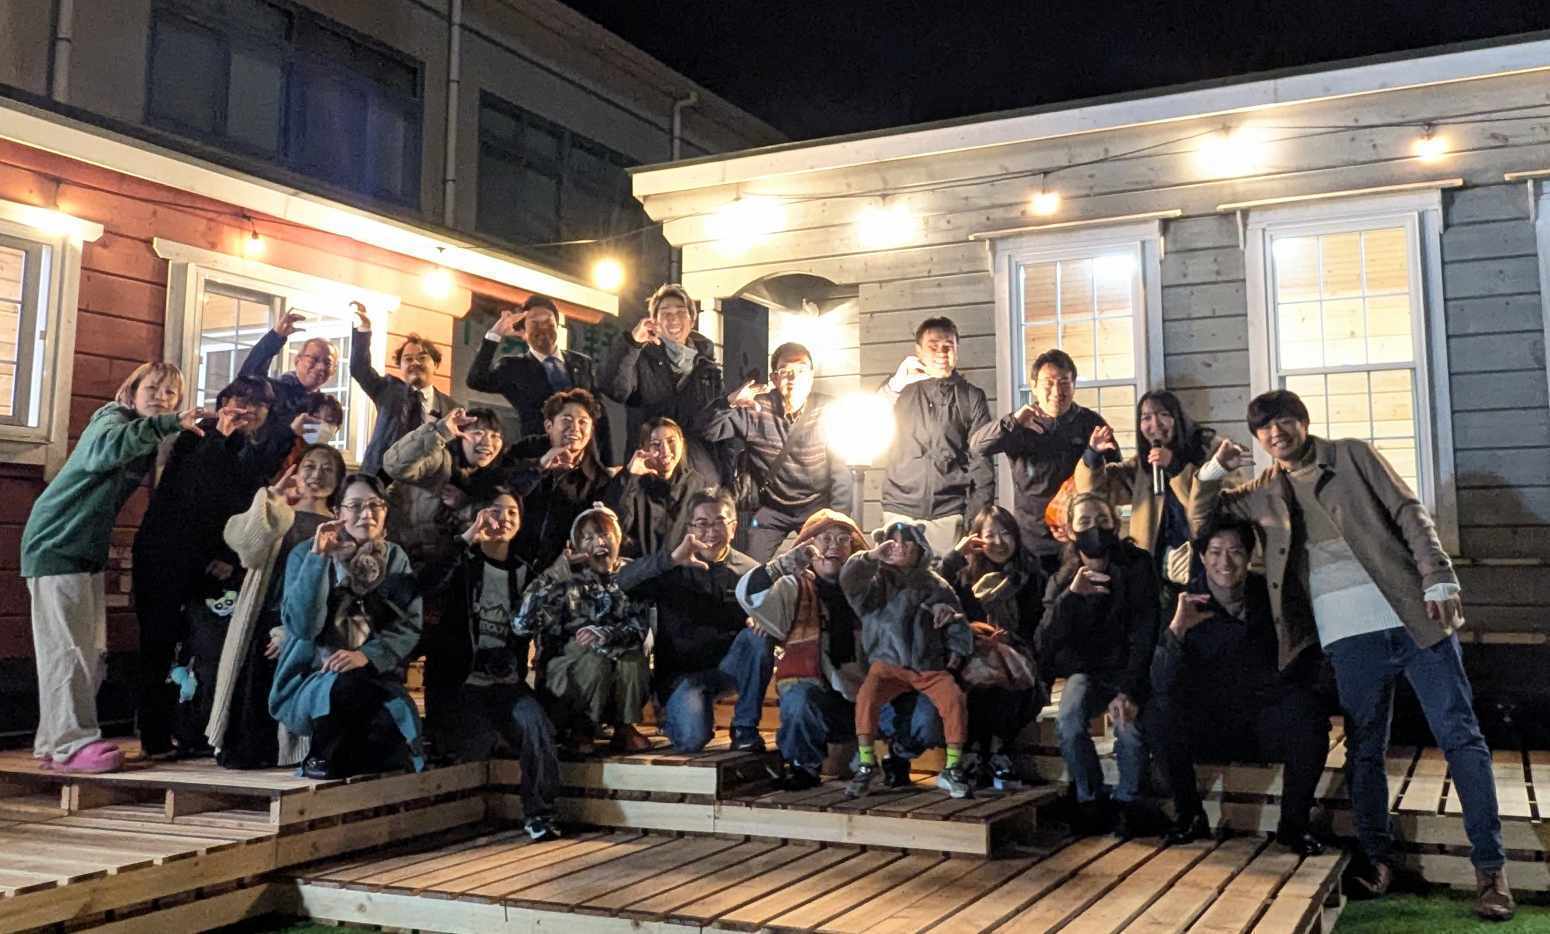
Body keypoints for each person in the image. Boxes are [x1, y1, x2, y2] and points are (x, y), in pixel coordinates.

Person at [1188, 390, 1512, 920]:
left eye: (1283, 421)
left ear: (1302, 421)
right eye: (1264, 428)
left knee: (1460, 737)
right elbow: (1203, 518)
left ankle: (1491, 870)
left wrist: (1437, 574)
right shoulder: (1265, 490)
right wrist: (1211, 471)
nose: (1275, 433)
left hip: (1414, 617)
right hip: (1347, 635)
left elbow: (1408, 511)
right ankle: (1378, 860)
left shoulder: (1352, 455)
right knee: (1364, 750)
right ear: (1258, 438)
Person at [21, 362, 198, 773]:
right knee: (66, 652)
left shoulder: (145, 436)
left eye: (170, 394)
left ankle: (52, 741)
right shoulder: (111, 420)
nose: (161, 399)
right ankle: (70, 745)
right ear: (131, 392)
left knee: (88, 653)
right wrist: (168, 424)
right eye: (152, 389)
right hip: (56, 543)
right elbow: (107, 449)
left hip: (84, 550)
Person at [1149, 519, 1331, 855]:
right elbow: (1161, 681)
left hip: (1260, 718)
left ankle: (1293, 826)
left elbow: (1304, 654)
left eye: (1235, 552)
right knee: (1158, 713)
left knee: (1309, 714)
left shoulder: (1269, 595)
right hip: (1210, 724)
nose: (1225, 562)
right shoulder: (1183, 602)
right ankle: (1189, 816)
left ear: (1249, 557)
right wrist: (1177, 630)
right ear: (1202, 557)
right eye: (1215, 552)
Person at [738, 510, 944, 790]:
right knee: (798, 699)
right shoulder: (793, 587)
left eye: (842, 539)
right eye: (824, 538)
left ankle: (897, 756)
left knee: (927, 713)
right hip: (823, 699)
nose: (833, 546)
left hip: (877, 696)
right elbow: (750, 596)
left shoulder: (875, 587)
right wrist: (783, 565)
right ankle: (803, 767)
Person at [132, 375, 276, 757]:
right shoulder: (195, 435)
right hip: (164, 556)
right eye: (240, 400)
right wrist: (221, 436)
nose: (247, 409)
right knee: (159, 643)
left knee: (204, 644)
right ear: (223, 402)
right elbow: (194, 489)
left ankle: (196, 728)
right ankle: (154, 736)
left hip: (211, 564)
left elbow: (246, 510)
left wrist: (229, 556)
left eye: (258, 404)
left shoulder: (251, 451)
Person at [422, 490, 562, 841]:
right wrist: (468, 538)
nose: (504, 518)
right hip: (460, 681)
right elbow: (426, 583)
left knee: (536, 724)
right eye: (495, 511)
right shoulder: (461, 563)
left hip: (506, 682)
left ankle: (540, 814)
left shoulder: (525, 572)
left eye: (512, 512)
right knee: (476, 740)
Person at [269, 474, 424, 779]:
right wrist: (318, 559)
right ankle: (324, 757)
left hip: (374, 675)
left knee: (389, 739)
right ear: (337, 512)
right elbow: (303, 627)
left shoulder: (394, 557)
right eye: (355, 506)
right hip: (314, 674)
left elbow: (408, 624)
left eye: (375, 505)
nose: (367, 514)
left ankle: (336, 759)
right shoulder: (306, 553)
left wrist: (366, 655)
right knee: (346, 691)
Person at [209, 444, 346, 768]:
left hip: (304, 623)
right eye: (310, 466)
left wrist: (292, 630)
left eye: (328, 469)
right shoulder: (280, 513)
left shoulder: (338, 527)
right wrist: (272, 499)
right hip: (262, 613)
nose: (317, 475)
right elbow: (245, 549)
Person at [1036, 492, 1158, 836]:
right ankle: (1089, 798)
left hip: (1129, 669)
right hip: (1087, 671)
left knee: (1128, 728)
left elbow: (1145, 631)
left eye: (1102, 520)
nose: (1095, 529)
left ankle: (1129, 802)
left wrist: (1129, 690)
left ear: (1115, 524)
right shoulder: (1063, 577)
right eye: (1085, 522)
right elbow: (1045, 642)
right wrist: (1072, 597)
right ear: (1070, 530)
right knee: (1069, 718)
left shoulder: (1137, 564)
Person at [616, 489, 767, 753]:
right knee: (691, 740)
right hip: (682, 675)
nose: (711, 531)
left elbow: (773, 614)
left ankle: (745, 729)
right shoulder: (671, 567)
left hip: (726, 668)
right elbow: (621, 582)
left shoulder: (749, 571)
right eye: (702, 523)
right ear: (690, 529)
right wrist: (671, 559)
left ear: (733, 528)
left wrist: (761, 621)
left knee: (759, 636)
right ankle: (676, 714)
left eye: (719, 522)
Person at [842, 522, 974, 799]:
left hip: (927, 666)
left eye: (907, 542)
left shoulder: (935, 584)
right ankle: (866, 763)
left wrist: (955, 651)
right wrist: (871, 556)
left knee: (953, 700)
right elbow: (850, 579)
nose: (900, 547)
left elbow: (957, 622)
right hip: (887, 665)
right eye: (894, 541)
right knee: (866, 698)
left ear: (920, 547)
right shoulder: (875, 583)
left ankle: (952, 768)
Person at [514, 503, 652, 752]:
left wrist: (607, 635)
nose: (599, 542)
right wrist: (554, 576)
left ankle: (624, 726)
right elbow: (522, 625)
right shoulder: (563, 578)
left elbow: (640, 627)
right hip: (568, 677)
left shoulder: (629, 573)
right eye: (589, 538)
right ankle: (580, 728)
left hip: (614, 670)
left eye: (605, 535)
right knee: (593, 660)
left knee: (633, 658)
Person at [703, 342, 854, 560]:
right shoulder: (756, 408)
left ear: (811, 377)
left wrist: (838, 520)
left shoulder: (829, 411)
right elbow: (709, 431)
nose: (793, 378)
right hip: (772, 507)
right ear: (774, 378)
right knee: (751, 566)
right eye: (785, 371)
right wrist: (730, 402)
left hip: (815, 505)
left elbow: (841, 472)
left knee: (828, 562)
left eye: (801, 370)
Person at [971, 349, 1115, 575]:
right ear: (1034, 385)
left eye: (1064, 382)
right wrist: (1013, 422)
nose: (1057, 391)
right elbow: (977, 446)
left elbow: (1114, 476)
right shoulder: (1020, 425)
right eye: (1048, 383)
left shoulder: (1090, 423)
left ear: (1074, 385)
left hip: (1080, 540)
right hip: (1032, 544)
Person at [938, 505, 1047, 790]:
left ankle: (997, 752)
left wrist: (1012, 640)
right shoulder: (963, 575)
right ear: (976, 539)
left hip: (1019, 655)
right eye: (990, 535)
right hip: (969, 652)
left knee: (1006, 677)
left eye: (1005, 534)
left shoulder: (1031, 575)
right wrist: (955, 557)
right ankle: (976, 753)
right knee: (976, 679)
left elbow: (1039, 626)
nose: (999, 542)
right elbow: (932, 592)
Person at [878, 317, 994, 557]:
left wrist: (976, 520)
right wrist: (895, 385)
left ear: (957, 350)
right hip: (900, 507)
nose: (942, 352)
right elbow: (871, 419)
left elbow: (982, 464)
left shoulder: (971, 397)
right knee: (899, 575)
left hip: (949, 513)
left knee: (947, 576)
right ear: (918, 351)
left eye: (948, 346)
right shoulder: (899, 388)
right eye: (933, 346)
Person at [1077, 389, 1214, 587]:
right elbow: (1095, 490)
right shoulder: (1141, 467)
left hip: (1204, 566)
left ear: (1178, 418)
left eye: (1163, 415)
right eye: (1146, 418)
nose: (1155, 424)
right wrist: (1093, 455)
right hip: (1154, 570)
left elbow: (1210, 504)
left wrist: (1175, 467)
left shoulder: (1208, 454)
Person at [598, 283, 727, 485]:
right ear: (654, 321)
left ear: (692, 320)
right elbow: (615, 390)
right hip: (652, 466)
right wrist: (633, 343)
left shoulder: (708, 367)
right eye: (665, 313)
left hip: (698, 472)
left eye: (681, 312)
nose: (673, 318)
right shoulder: (640, 357)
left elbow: (717, 424)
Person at [466, 294, 613, 464]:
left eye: (549, 322)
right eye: (535, 323)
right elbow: (476, 380)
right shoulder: (513, 367)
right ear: (523, 332)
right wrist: (495, 334)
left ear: (558, 326)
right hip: (540, 459)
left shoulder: (582, 363)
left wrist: (607, 463)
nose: (543, 328)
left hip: (585, 460)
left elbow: (600, 416)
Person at [381, 407, 510, 582]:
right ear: (459, 434)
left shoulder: (485, 478)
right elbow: (394, 465)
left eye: (495, 436)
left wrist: (464, 504)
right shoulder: (438, 458)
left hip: (440, 572)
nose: (488, 442)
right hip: (398, 564)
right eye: (478, 433)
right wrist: (440, 431)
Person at [509, 389, 615, 571]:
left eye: (583, 422)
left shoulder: (599, 478)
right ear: (548, 426)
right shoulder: (523, 451)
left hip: (562, 569)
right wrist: (540, 466)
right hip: (512, 561)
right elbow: (505, 490)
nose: (575, 428)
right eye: (567, 420)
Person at [349, 301, 455, 478]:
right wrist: (364, 328)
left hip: (423, 485)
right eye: (408, 359)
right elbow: (359, 368)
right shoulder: (387, 389)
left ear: (436, 365)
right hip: (379, 479)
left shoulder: (450, 407)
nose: (415, 363)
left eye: (422, 358)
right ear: (400, 366)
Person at [238, 311, 340, 473]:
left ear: (333, 370)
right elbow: (248, 378)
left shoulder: (322, 406)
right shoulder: (275, 390)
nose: (320, 366)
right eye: (313, 359)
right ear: (297, 360)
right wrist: (275, 337)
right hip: (257, 471)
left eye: (327, 363)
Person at [604, 417, 706, 558]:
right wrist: (629, 477)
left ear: (682, 443)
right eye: (656, 444)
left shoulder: (696, 483)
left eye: (671, 441)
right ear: (644, 448)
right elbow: (616, 527)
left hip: (682, 565)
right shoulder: (631, 480)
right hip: (641, 566)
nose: (665, 450)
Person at [271, 392, 344, 478]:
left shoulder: (332, 459)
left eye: (329, 421)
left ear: (337, 428)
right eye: (315, 418)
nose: (321, 424)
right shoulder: (283, 447)